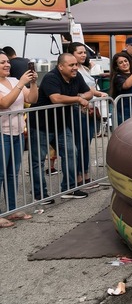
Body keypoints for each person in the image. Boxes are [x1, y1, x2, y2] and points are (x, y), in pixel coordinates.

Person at [29, 53, 92, 202]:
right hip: (41, 125)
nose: (75, 68)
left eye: (76, 64)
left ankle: (69, 188)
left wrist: (81, 97)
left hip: (62, 124)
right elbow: (55, 98)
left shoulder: (76, 76)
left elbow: (89, 92)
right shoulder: (51, 77)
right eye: (71, 65)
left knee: (71, 152)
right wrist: (78, 98)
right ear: (60, 66)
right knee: (38, 160)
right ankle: (40, 195)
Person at [0, 51, 38, 226]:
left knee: (12, 174)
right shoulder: (17, 83)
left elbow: (31, 98)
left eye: (7, 62)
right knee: (0, 174)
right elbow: (5, 103)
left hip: (16, 133)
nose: (7, 65)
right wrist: (21, 83)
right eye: (2, 63)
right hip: (2, 134)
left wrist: (33, 83)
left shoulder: (15, 81)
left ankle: (12, 209)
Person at [68, 42, 109, 185]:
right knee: (80, 144)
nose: (84, 55)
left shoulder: (85, 68)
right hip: (79, 111)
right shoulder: (73, 72)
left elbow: (90, 89)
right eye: (80, 53)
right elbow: (82, 91)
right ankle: (79, 176)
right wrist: (90, 94)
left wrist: (97, 93)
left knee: (86, 144)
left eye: (84, 52)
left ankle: (85, 174)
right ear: (71, 54)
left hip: (90, 111)